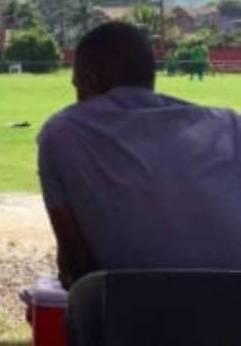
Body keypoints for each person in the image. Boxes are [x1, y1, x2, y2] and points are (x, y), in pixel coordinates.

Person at [38, 22, 241, 290]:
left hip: (135, 315)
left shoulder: (62, 132)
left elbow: (78, 268)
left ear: (89, 80)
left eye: (77, 86)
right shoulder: (228, 124)